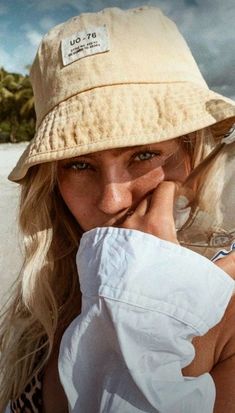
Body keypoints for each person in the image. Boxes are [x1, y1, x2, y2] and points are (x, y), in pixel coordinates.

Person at [1, 5, 235, 413]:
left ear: (191, 149)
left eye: (143, 154)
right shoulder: (55, 283)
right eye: (79, 164)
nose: (113, 200)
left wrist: (142, 311)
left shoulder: (229, 303)